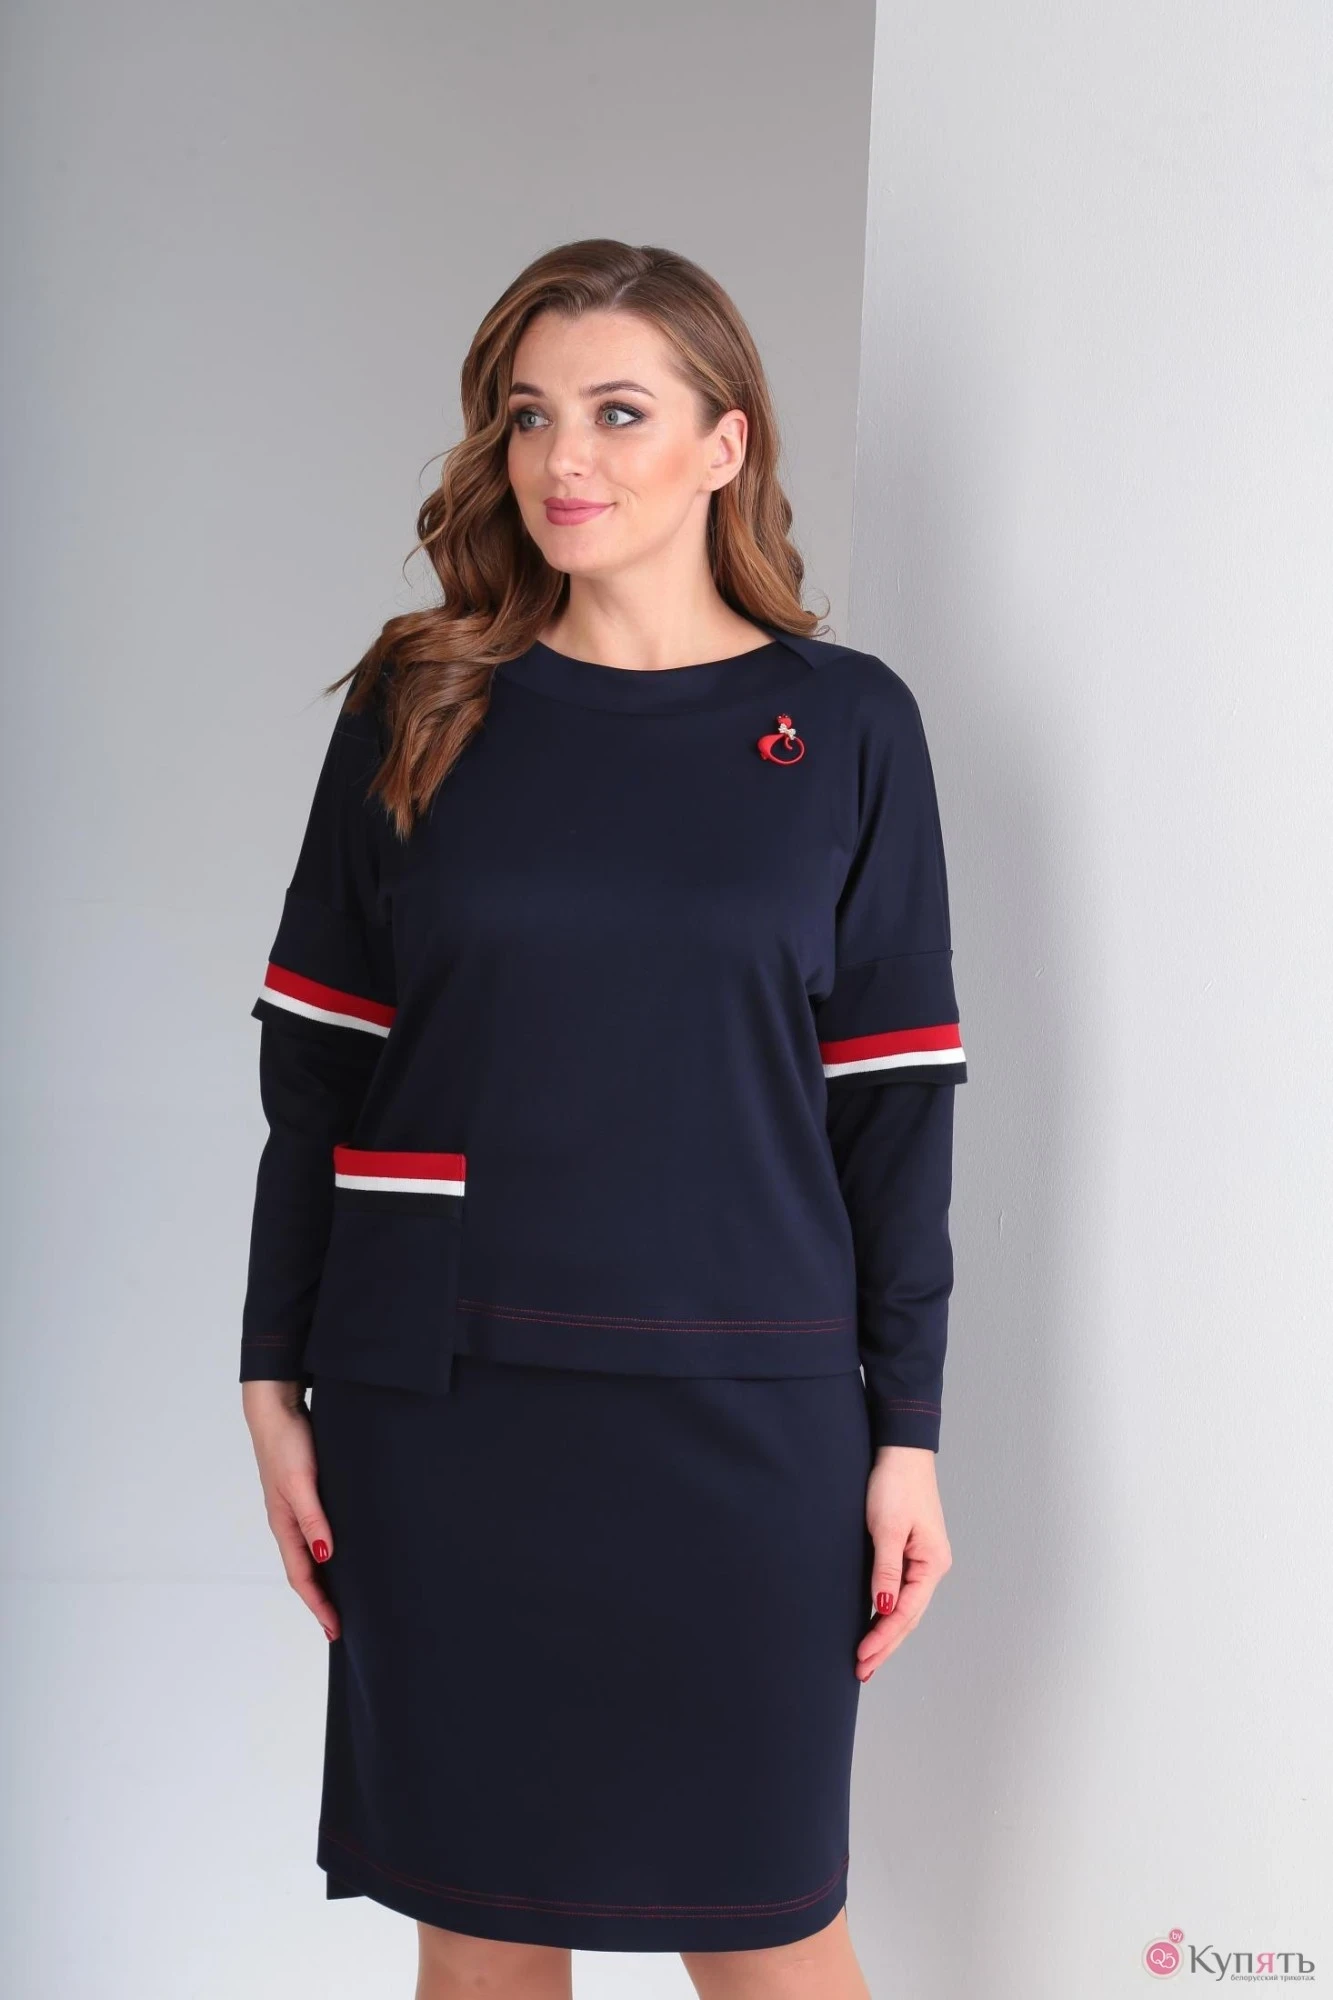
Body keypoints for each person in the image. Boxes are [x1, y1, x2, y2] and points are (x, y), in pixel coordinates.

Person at [239, 237, 967, 2000]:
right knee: (479, 1931)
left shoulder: (846, 725)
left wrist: (907, 1432)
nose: (564, 459)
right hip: (446, 1409)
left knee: (770, 1931)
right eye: (529, 415)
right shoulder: (421, 703)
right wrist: (272, 1376)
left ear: (726, 444)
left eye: (619, 412)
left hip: (749, 1414)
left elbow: (895, 1110)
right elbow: (317, 1074)